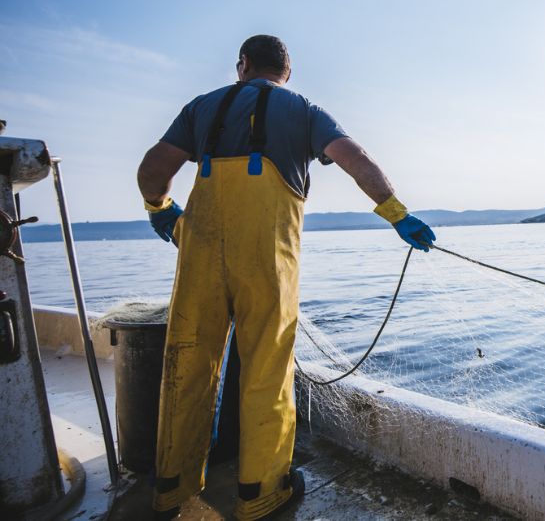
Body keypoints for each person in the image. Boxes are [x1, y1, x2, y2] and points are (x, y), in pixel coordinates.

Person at [136, 34, 435, 520]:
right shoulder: (303, 109)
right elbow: (355, 158)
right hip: (267, 258)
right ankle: (261, 493)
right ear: (287, 72)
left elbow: (152, 169)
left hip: (200, 251)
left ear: (242, 66)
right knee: (266, 367)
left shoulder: (201, 108)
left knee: (187, 361)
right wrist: (398, 214)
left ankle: (171, 488)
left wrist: (161, 209)